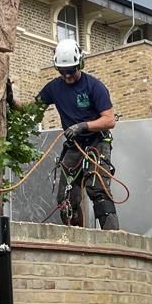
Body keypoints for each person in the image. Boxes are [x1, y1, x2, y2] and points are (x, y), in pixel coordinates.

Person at [36, 38, 120, 229]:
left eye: (71, 71)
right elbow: (32, 108)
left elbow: (109, 120)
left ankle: (112, 238)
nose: (67, 76)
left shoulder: (94, 86)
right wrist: (11, 101)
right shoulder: (54, 88)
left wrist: (82, 126)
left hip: (97, 141)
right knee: (65, 196)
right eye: (63, 72)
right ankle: (74, 236)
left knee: (97, 187)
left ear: (80, 64)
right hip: (74, 145)